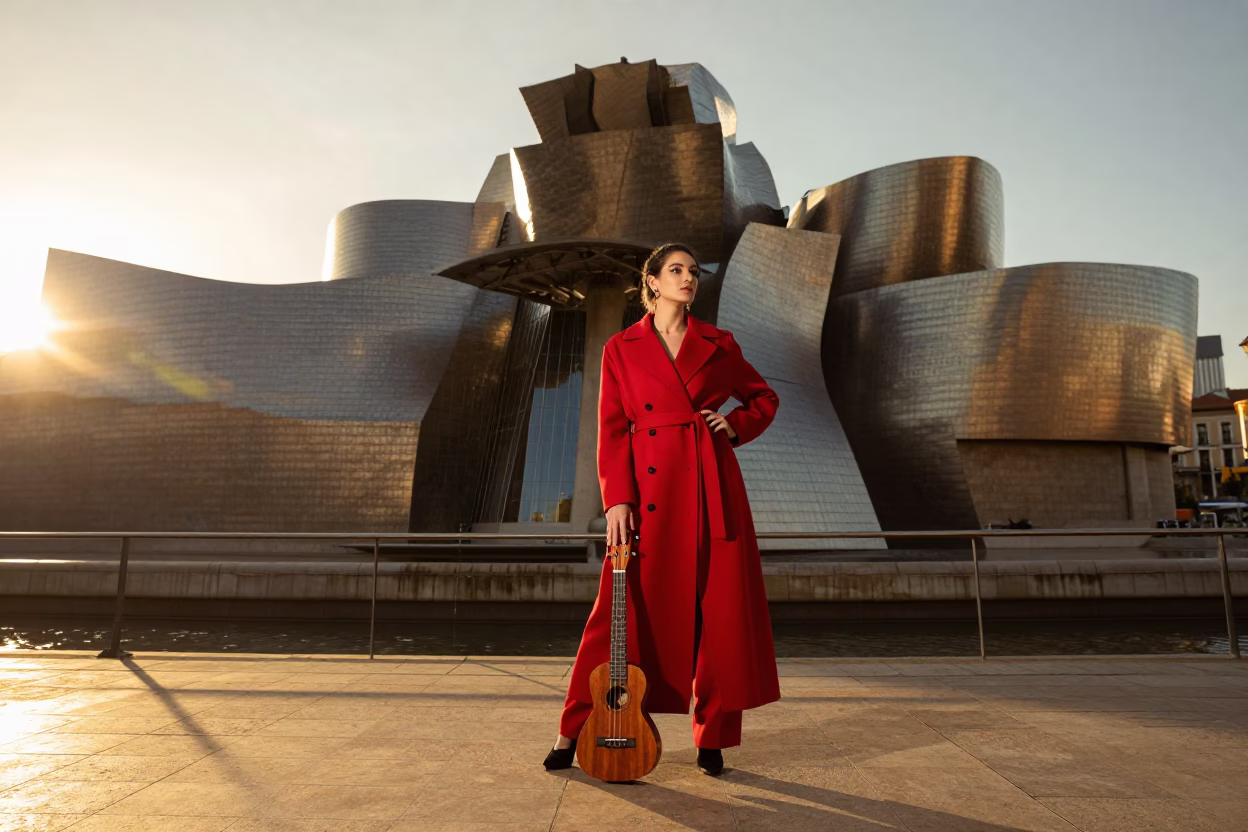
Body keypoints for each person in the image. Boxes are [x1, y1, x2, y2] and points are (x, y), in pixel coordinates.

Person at [542, 242, 781, 777]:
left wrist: (734, 425)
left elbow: (763, 398)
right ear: (650, 282)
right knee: (614, 616)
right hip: (646, 501)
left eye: (694, 271)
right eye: (676, 270)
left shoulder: (719, 343)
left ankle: (712, 738)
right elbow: (610, 429)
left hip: (712, 489)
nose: (688, 278)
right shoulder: (620, 348)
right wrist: (617, 499)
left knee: (718, 617)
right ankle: (574, 730)